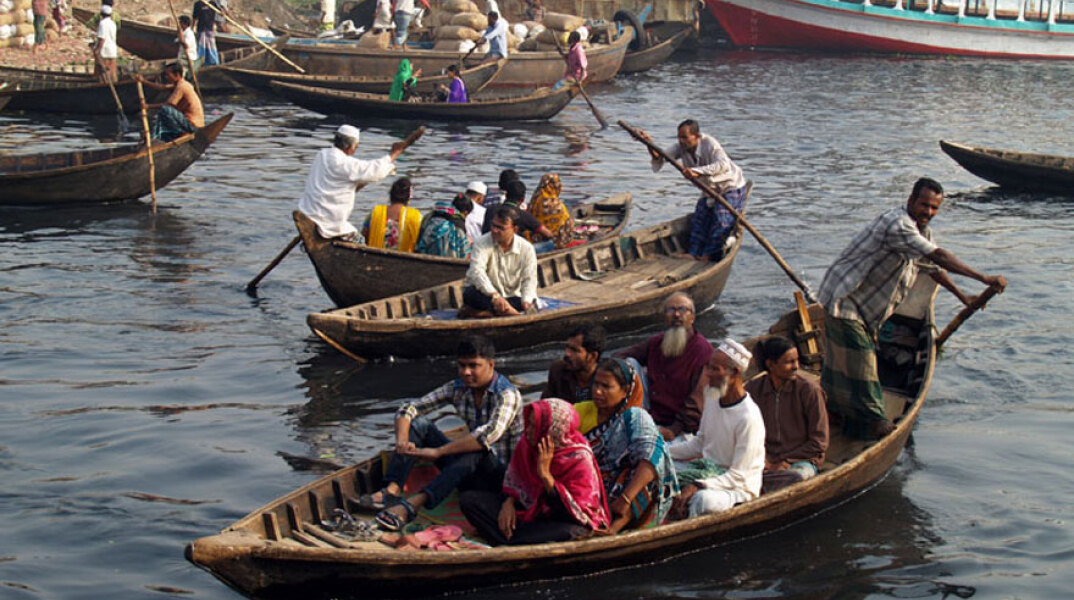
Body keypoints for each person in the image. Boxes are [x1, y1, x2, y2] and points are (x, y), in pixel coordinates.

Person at [817, 177, 1007, 438]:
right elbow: (939, 256)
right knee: (861, 356)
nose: (928, 212)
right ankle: (876, 420)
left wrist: (963, 295)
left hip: (863, 306)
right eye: (923, 205)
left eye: (934, 208)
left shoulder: (921, 232)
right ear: (910, 201)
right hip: (843, 297)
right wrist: (984, 278)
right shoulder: (899, 225)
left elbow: (933, 269)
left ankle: (832, 407)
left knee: (840, 360)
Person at [363, 337, 524, 531]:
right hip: (468, 469)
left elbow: (487, 436)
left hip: (501, 478)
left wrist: (439, 452)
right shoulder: (457, 388)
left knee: (477, 450)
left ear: (491, 364)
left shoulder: (507, 395)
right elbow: (408, 409)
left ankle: (414, 504)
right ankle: (392, 490)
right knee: (419, 424)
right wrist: (403, 443)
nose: (466, 372)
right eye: (462, 365)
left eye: (474, 366)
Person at [460, 399, 610, 545]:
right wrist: (509, 503)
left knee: (572, 533)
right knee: (469, 500)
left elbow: (577, 513)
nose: (528, 431)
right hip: (528, 511)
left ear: (550, 429)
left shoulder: (579, 458)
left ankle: (507, 538)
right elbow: (516, 483)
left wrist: (546, 476)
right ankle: (513, 537)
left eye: (534, 426)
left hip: (560, 519)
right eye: (529, 424)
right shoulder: (527, 445)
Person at [668, 339, 765, 518]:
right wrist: (663, 452)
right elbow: (699, 443)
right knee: (660, 467)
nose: (708, 374)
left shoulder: (748, 417)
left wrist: (698, 485)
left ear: (734, 373)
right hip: (707, 471)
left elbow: (738, 476)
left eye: (715, 369)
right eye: (708, 367)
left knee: (702, 500)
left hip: (737, 487)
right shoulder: (712, 396)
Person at [579, 358, 678, 532]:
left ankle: (617, 525)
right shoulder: (582, 410)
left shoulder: (636, 416)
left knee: (650, 463)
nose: (598, 392)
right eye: (595, 385)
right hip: (596, 488)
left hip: (628, 496)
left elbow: (650, 457)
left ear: (625, 391)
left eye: (606, 387)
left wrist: (625, 500)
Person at [643, 119, 748, 261]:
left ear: (696, 136)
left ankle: (709, 255)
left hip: (729, 185)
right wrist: (648, 143)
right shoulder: (681, 147)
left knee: (721, 219)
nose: (681, 141)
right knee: (699, 219)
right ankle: (693, 253)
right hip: (709, 188)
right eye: (679, 137)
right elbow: (660, 157)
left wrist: (697, 171)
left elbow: (723, 165)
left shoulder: (709, 144)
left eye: (685, 137)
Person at [616, 292, 713, 441]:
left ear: (692, 317)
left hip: (682, 427)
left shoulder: (702, 350)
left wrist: (674, 430)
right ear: (665, 318)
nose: (676, 314)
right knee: (628, 363)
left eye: (682, 309)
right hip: (652, 414)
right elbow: (619, 357)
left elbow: (697, 399)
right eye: (670, 310)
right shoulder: (656, 342)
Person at [745, 336, 829, 493]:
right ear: (771, 364)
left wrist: (786, 461)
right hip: (765, 460)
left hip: (801, 460)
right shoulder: (753, 390)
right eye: (788, 362)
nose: (795, 366)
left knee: (796, 478)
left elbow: (819, 442)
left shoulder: (809, 391)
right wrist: (764, 460)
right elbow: (745, 431)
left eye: (796, 361)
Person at [296, 124, 407, 240]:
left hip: (308, 212)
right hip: (327, 222)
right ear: (350, 146)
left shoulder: (322, 154)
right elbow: (375, 170)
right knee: (360, 240)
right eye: (356, 147)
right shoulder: (343, 163)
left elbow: (362, 173)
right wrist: (394, 154)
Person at [543, 324, 645, 429]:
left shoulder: (608, 377)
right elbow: (546, 406)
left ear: (593, 356)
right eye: (567, 348)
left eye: (575, 350)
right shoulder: (558, 371)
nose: (567, 354)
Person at [461, 205, 538, 318]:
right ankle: (515, 316)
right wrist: (495, 295)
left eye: (501, 228)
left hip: (510, 296)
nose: (494, 230)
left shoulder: (527, 248)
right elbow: (477, 272)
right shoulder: (481, 243)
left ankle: (484, 314)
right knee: (470, 294)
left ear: (514, 229)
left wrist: (526, 302)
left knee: (529, 300)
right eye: (493, 225)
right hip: (488, 295)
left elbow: (529, 279)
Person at [135, 63, 204, 142]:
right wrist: (144, 81)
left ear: (177, 75)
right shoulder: (180, 84)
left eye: (168, 74)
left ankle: (154, 137)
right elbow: (162, 87)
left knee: (165, 110)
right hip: (188, 122)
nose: (166, 77)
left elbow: (169, 104)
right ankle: (158, 136)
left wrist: (148, 106)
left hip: (193, 125)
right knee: (162, 116)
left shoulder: (182, 86)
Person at [361, 177, 422, 252]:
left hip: (375, 256)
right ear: (409, 198)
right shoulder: (416, 217)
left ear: (391, 195)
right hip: (404, 260)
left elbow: (364, 236)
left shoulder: (374, 213)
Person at [481, 180, 553, 242]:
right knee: (550, 244)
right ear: (522, 199)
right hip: (509, 249)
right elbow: (548, 234)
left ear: (506, 195)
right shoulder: (523, 215)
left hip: (487, 245)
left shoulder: (490, 209)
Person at [527, 173, 576, 249]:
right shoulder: (556, 204)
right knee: (570, 222)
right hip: (553, 240)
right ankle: (560, 244)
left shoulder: (535, 199)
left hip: (534, 238)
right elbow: (565, 222)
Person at [192, 0, 220, 66]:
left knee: (212, 48)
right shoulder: (198, 4)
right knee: (201, 48)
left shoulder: (213, 3)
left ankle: (214, 63)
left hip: (210, 30)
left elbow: (220, 12)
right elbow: (194, 18)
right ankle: (200, 63)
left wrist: (223, 12)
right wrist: (192, 28)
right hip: (201, 30)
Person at [94, 5, 118, 83]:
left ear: (101, 14)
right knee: (112, 74)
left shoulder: (102, 24)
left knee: (102, 76)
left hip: (104, 52)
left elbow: (102, 39)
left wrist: (97, 50)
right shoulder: (113, 24)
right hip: (113, 51)